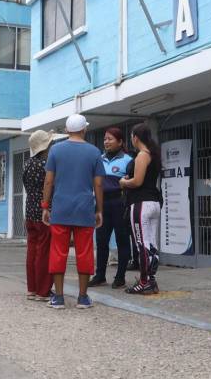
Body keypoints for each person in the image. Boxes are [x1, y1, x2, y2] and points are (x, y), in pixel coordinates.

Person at [42, 114, 105, 310]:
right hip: (84, 209)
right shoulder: (94, 152)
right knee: (84, 252)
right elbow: (98, 184)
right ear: (84, 129)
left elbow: (49, 181)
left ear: (67, 130)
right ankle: (83, 298)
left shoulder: (55, 150)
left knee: (58, 252)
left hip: (60, 209)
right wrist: (99, 210)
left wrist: (45, 206)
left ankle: (59, 298)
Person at [119, 123, 162, 295]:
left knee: (141, 244)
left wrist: (123, 182)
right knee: (151, 243)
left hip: (141, 204)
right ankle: (151, 280)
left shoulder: (142, 155)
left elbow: (137, 181)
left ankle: (144, 282)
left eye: (131, 136)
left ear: (135, 138)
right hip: (154, 203)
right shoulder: (154, 154)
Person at [88, 127, 133, 289]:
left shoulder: (128, 160)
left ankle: (120, 277)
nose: (106, 142)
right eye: (105, 139)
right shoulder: (99, 159)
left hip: (119, 203)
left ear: (120, 142)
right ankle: (100, 276)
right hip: (101, 204)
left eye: (110, 139)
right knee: (101, 241)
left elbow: (132, 182)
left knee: (122, 240)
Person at [22, 130, 60, 301]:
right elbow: (51, 185)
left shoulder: (27, 164)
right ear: (45, 147)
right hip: (44, 212)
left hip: (29, 210)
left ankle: (31, 289)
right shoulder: (46, 165)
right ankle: (42, 291)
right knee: (44, 251)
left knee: (32, 250)